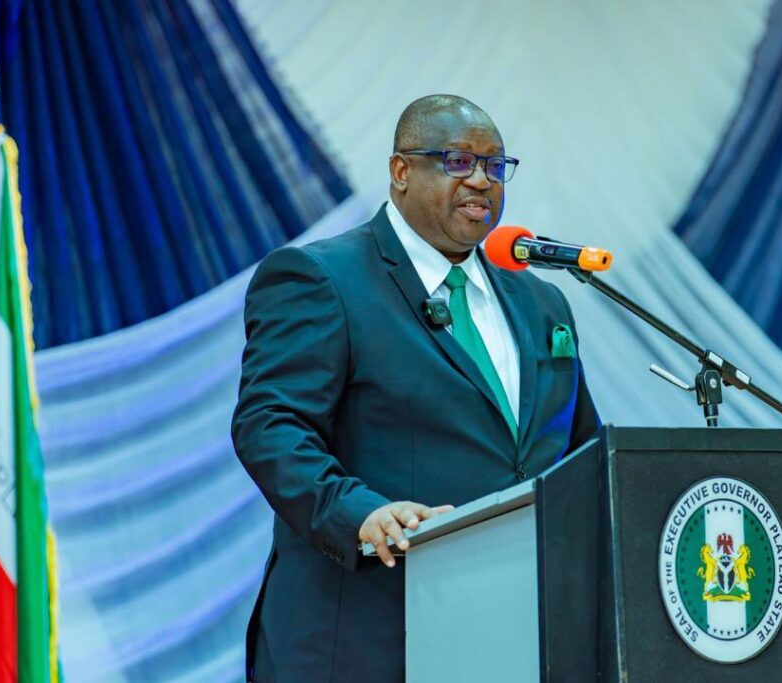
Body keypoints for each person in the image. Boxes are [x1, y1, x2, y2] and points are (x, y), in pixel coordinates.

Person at [231, 94, 600, 682]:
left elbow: (580, 454)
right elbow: (270, 426)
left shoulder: (541, 303)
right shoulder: (322, 278)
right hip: (363, 638)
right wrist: (360, 512)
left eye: (495, 166)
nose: (481, 180)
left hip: (512, 640)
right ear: (401, 171)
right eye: (457, 161)